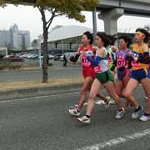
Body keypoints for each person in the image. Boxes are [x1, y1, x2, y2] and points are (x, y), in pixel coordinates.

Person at [77, 32, 124, 124]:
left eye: (98, 39)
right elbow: (91, 51)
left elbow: (95, 63)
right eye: (96, 39)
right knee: (91, 96)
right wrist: (83, 52)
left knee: (113, 95)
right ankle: (87, 117)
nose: (96, 41)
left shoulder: (102, 50)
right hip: (98, 76)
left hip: (105, 76)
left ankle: (120, 109)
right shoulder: (97, 49)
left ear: (102, 41)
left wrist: (87, 56)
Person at [69, 31, 109, 116]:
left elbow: (101, 57)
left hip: (91, 72)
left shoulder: (94, 49)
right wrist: (72, 59)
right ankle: (105, 99)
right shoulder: (80, 48)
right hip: (84, 72)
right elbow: (75, 60)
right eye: (82, 38)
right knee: (92, 91)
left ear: (89, 39)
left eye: (84, 38)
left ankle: (78, 110)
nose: (82, 40)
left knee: (83, 90)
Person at [124, 28, 150, 122]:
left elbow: (147, 60)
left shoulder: (145, 47)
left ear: (143, 36)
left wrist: (137, 59)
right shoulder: (134, 46)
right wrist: (129, 59)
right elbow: (132, 59)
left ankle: (147, 114)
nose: (136, 36)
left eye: (138, 34)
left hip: (143, 72)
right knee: (127, 94)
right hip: (134, 72)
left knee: (148, 94)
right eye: (135, 34)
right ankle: (138, 107)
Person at [114, 35, 133, 110]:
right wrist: (113, 69)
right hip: (119, 72)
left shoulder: (129, 52)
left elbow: (134, 62)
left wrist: (131, 57)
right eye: (119, 42)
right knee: (118, 93)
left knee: (127, 91)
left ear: (126, 43)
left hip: (127, 73)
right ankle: (131, 100)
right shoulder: (118, 52)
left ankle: (126, 107)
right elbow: (116, 62)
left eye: (121, 42)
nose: (120, 43)